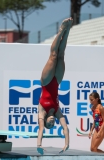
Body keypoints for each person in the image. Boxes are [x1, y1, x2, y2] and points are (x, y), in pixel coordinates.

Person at [37, 18, 73, 152]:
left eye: (49, 123)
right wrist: (66, 144)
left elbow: (41, 130)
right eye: (53, 123)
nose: (52, 122)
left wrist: (39, 145)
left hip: (46, 82)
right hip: (56, 81)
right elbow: (65, 128)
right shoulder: (57, 111)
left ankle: (60, 31)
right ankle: (68, 30)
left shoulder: (42, 111)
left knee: (53, 55)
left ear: (46, 120)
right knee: (61, 55)